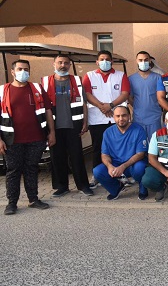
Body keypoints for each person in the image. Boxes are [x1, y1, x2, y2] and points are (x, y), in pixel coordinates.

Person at [1, 60, 55, 215]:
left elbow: (48, 111)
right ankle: (12, 203)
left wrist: (52, 132)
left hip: (36, 138)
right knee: (13, 171)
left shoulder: (37, 88)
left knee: (31, 168)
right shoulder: (3, 90)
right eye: (19, 69)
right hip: (12, 140)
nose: (23, 72)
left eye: (26, 69)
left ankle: (33, 199)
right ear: (12, 72)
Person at [42, 54, 92, 197]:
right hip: (54, 127)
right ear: (54, 64)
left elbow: (83, 103)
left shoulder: (77, 80)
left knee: (77, 157)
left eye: (66, 63)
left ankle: (83, 185)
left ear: (70, 65)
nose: (62, 65)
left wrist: (85, 121)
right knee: (57, 158)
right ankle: (61, 186)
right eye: (60, 62)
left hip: (73, 126)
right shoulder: (45, 82)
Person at [83, 50, 130, 187]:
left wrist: (111, 106)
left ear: (112, 61)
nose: (105, 62)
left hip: (116, 118)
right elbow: (87, 94)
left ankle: (121, 175)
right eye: (102, 59)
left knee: (118, 148)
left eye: (107, 59)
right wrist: (101, 106)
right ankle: (97, 176)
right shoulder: (89, 76)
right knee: (97, 148)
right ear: (97, 62)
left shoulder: (120, 75)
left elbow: (125, 93)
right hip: (97, 119)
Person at [92, 106, 148, 200]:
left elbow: (140, 154)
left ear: (129, 116)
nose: (121, 118)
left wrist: (123, 166)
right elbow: (105, 154)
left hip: (132, 164)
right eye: (118, 116)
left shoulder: (138, 130)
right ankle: (116, 188)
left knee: (140, 168)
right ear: (113, 117)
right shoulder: (108, 132)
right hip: (115, 165)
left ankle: (143, 189)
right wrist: (109, 166)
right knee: (97, 171)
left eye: (124, 115)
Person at [129, 51, 162, 139]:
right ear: (136, 61)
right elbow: (129, 97)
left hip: (154, 118)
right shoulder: (131, 79)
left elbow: (161, 97)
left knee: (155, 144)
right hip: (138, 118)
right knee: (139, 144)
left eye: (146, 60)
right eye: (140, 60)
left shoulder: (158, 77)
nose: (143, 62)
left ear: (150, 61)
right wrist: (139, 106)